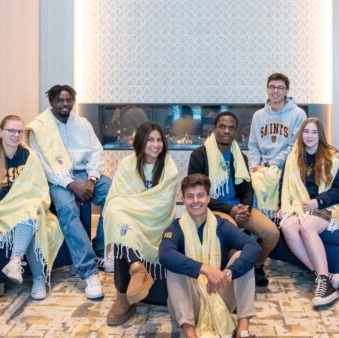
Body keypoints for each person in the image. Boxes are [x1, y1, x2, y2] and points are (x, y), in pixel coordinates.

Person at [28, 84, 111, 301]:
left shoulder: (82, 124)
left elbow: (96, 151)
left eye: (69, 100)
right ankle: (89, 271)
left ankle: (100, 250)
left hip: (86, 175)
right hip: (58, 180)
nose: (65, 104)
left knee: (114, 192)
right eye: (60, 100)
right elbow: (43, 165)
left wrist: (92, 180)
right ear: (51, 102)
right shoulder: (40, 128)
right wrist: (71, 184)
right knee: (67, 207)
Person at [0, 115, 64, 300]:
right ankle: (38, 279)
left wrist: (27, 203)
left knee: (32, 210)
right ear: (1, 132)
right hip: (2, 210)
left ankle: (16, 261)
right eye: (11, 130)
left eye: (20, 131)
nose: (16, 135)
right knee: (32, 221)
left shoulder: (29, 156)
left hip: (26, 207)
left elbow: (38, 189)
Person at [159, 174, 261, 338]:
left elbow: (253, 247)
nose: (195, 201)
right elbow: (164, 254)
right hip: (189, 303)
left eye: (200, 195)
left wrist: (227, 274)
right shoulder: (176, 228)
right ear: (183, 200)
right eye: (190, 197)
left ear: (208, 198)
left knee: (243, 257)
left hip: (218, 296)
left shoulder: (221, 225)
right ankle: (190, 334)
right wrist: (205, 269)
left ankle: (242, 330)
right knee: (174, 266)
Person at [187, 111, 279, 287]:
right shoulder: (200, 155)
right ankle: (237, 278)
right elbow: (197, 195)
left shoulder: (239, 156)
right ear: (214, 129)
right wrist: (230, 210)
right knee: (234, 234)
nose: (226, 131)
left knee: (272, 233)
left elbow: (247, 187)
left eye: (231, 128)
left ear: (236, 132)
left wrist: (246, 208)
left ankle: (256, 265)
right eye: (222, 126)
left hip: (239, 208)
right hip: (213, 209)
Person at [104, 122, 179, 326]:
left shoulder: (168, 166)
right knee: (115, 213)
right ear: (140, 142)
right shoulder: (127, 164)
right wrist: (133, 212)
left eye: (159, 140)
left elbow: (161, 205)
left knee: (123, 222)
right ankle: (131, 280)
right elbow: (117, 197)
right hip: (130, 220)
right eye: (150, 140)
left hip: (157, 221)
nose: (156, 145)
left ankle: (139, 274)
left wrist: (135, 210)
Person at [278, 117, 339, 307]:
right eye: (306, 131)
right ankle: (325, 276)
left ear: (320, 135)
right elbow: (284, 185)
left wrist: (319, 201)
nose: (309, 136)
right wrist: (281, 207)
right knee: (288, 227)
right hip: (297, 207)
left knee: (307, 227)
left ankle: (323, 283)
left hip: (325, 207)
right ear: (301, 134)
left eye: (314, 132)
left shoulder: (333, 157)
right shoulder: (293, 156)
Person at [248, 73, 307, 220]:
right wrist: (255, 167)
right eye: (272, 87)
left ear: (287, 91)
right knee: (251, 185)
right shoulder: (258, 115)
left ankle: (276, 227)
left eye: (280, 88)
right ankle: (259, 231)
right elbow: (253, 145)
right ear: (267, 90)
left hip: (287, 167)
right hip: (261, 167)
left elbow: (294, 147)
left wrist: (269, 166)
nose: (275, 91)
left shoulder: (298, 114)